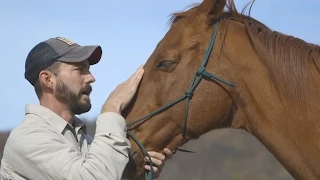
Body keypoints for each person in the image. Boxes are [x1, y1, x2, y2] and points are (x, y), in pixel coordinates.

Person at [0, 37, 172, 180]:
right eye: (79, 70)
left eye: (88, 69)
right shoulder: (28, 138)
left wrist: (137, 173)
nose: (91, 78)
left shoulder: (89, 144)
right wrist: (112, 108)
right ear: (48, 80)